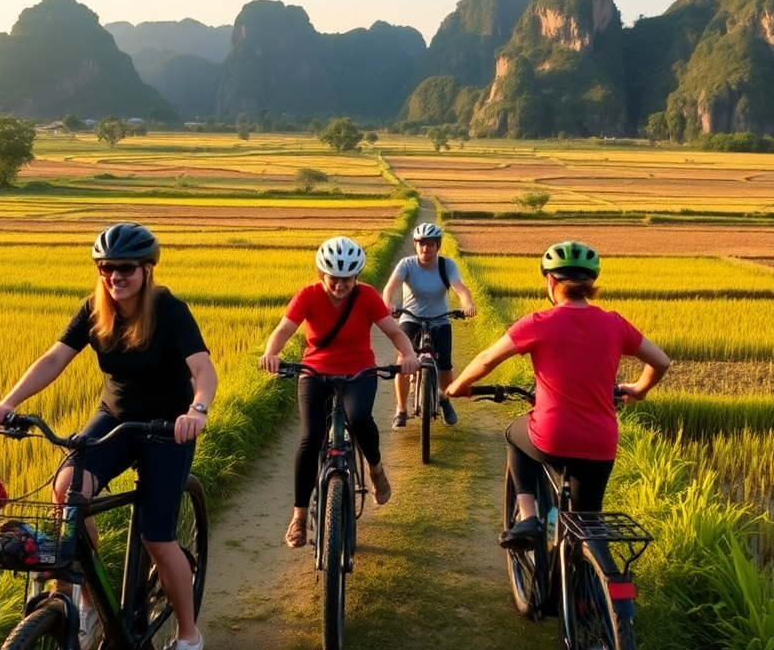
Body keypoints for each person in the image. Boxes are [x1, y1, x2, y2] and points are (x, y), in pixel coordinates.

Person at [0, 222, 217, 650]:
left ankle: (189, 637)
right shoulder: (95, 310)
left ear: (146, 270)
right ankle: (90, 602)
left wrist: (197, 409)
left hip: (167, 428)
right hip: (115, 418)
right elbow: (54, 358)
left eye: (125, 268)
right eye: (106, 268)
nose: (114, 276)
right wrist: (9, 403)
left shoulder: (169, 311)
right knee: (68, 490)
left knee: (157, 537)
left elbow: (202, 368)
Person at [446, 240, 670, 547]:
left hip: (552, 437)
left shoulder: (539, 322)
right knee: (586, 525)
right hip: (600, 442)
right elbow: (661, 361)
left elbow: (486, 359)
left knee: (514, 434)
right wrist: (639, 390)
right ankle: (590, 582)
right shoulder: (614, 323)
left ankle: (528, 519)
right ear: (591, 283)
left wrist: (457, 387)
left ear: (551, 281)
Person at [259, 236, 418, 548]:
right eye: (334, 278)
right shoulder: (308, 295)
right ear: (322, 275)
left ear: (356, 277)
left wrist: (409, 355)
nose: (340, 285)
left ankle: (375, 469)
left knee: (359, 418)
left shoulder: (368, 296)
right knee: (309, 438)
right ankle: (300, 517)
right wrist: (272, 353)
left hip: (359, 372)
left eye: (347, 279)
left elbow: (395, 331)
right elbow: (284, 329)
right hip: (314, 372)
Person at [382, 222, 476, 430]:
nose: (426, 249)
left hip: (440, 319)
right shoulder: (406, 264)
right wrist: (388, 303)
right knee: (404, 361)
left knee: (445, 365)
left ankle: (444, 400)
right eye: (422, 244)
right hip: (411, 318)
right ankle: (401, 409)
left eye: (431, 244)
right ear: (415, 245)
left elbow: (460, 288)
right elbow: (390, 287)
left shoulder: (447, 265)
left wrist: (467, 303)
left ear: (438, 245)